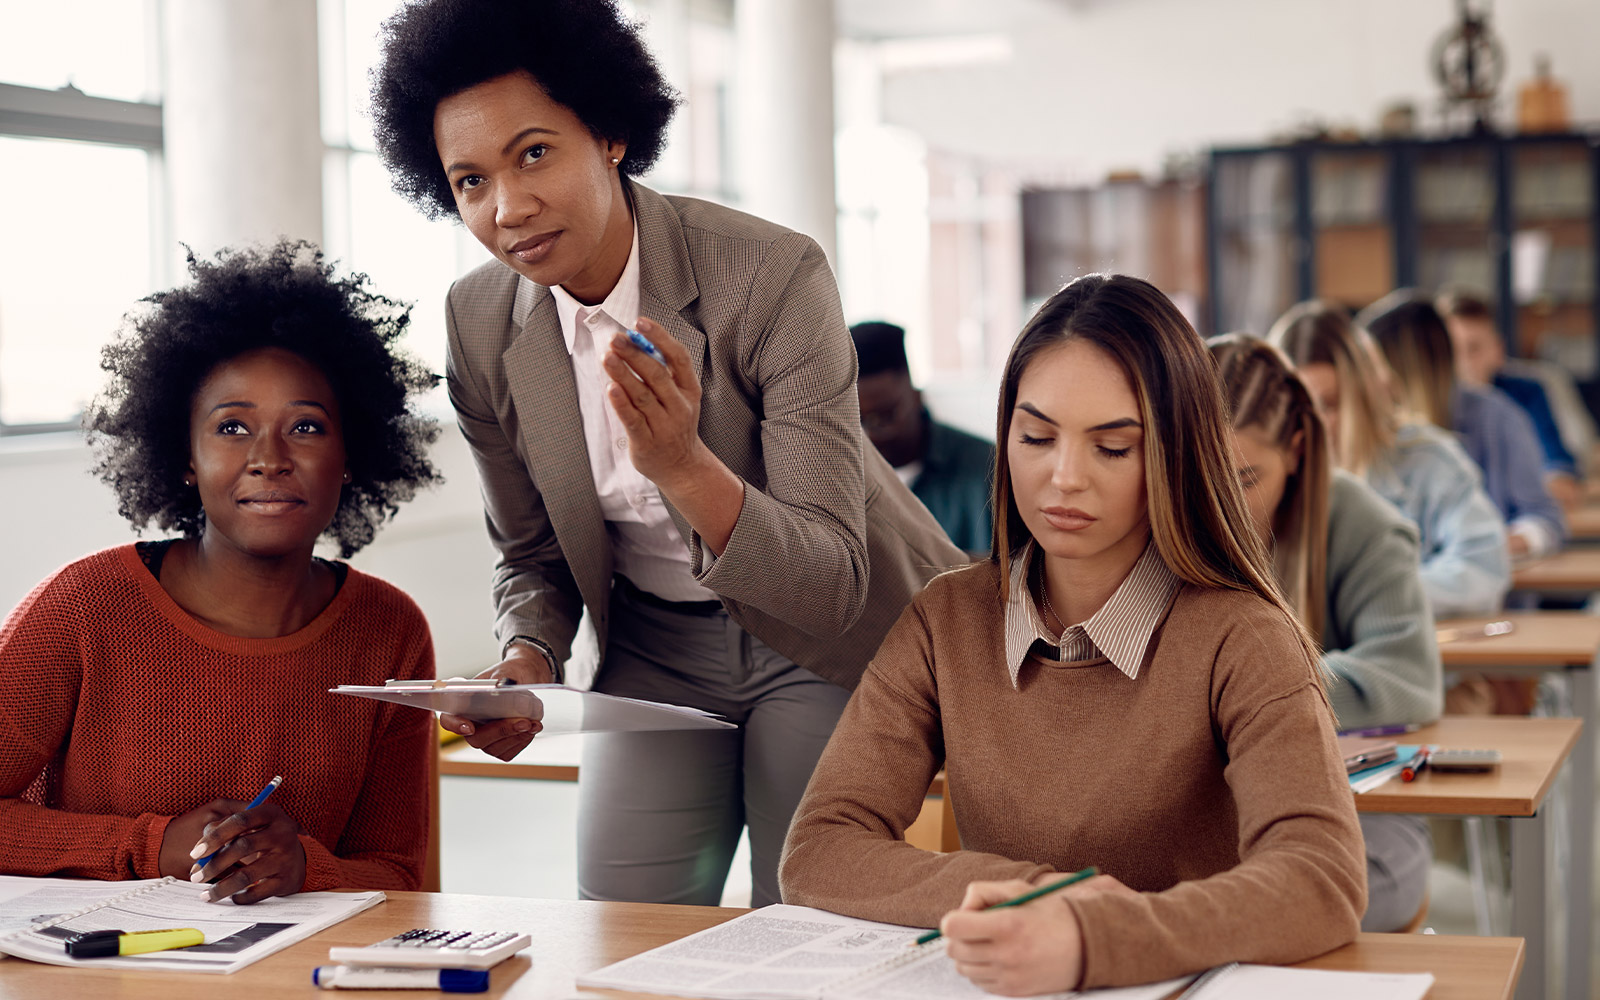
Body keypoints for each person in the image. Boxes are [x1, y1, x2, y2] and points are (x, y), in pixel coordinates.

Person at [369, 0, 963, 908]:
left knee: (801, 919)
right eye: (470, 181)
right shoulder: (481, 321)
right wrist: (527, 658)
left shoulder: (770, 275)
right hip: (652, 643)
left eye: (534, 153)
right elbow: (531, 553)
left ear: (608, 133)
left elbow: (832, 577)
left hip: (827, 638)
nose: (509, 207)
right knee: (618, 915)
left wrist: (683, 465)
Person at [780, 275, 1366, 994]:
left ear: (1174, 454)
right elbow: (818, 848)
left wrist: (1094, 939)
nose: (1063, 478)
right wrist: (1028, 893)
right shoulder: (946, 620)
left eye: (1112, 448)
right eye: (1035, 436)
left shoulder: (1243, 637)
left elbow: (1321, 878)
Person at [0, 240, 441, 903]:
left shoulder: (391, 631)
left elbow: (398, 874)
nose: (269, 458)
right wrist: (148, 846)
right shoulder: (81, 607)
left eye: (308, 428)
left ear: (351, 457)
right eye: (232, 428)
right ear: (185, 457)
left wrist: (307, 869)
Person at [1209, 333, 1441, 933]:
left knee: (1303, 911)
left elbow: (1409, 679)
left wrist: (1243, 695)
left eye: (1244, 478)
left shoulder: (1364, 524)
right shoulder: (1165, 520)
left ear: (1298, 446)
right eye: (1200, 477)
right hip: (1211, 809)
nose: (1218, 507)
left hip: (1361, 808)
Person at [1269, 300, 1511, 618]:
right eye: (1299, 409)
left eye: (1330, 404)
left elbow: (1483, 569)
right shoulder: (1262, 471)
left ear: (1365, 394)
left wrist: (1379, 594)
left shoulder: (1429, 459)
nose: (1314, 425)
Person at [1357, 290, 1566, 560]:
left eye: (1373, 366)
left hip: (1485, 592)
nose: (1367, 380)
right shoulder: (1368, 429)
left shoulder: (1496, 416)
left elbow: (1545, 518)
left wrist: (1486, 545)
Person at [850, 320, 994, 555]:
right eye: (856, 421)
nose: (870, 434)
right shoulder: (840, 480)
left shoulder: (988, 468)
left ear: (917, 397)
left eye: (884, 417)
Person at [1436, 287, 1585, 506]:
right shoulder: (1431, 401)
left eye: (1473, 348)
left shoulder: (1526, 393)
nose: (1462, 362)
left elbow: (1559, 472)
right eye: (1451, 351)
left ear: (1497, 351)